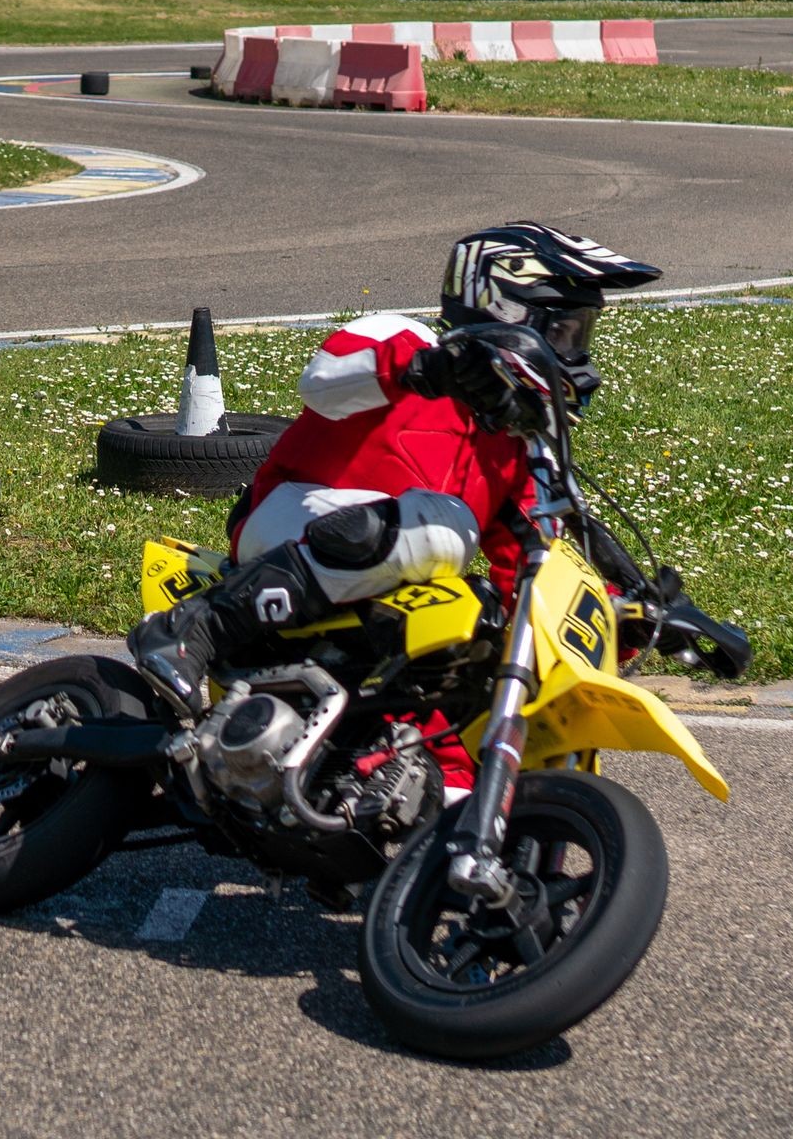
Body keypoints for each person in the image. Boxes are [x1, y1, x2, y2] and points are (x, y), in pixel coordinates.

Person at [127, 223, 662, 792]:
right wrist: (426, 373)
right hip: (288, 522)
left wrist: (638, 615)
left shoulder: (512, 448)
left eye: (583, 333)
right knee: (445, 530)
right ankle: (195, 627)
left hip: (383, 601)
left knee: (479, 639)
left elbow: (539, 567)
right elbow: (322, 383)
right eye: (565, 330)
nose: (576, 354)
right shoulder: (406, 340)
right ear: (506, 308)